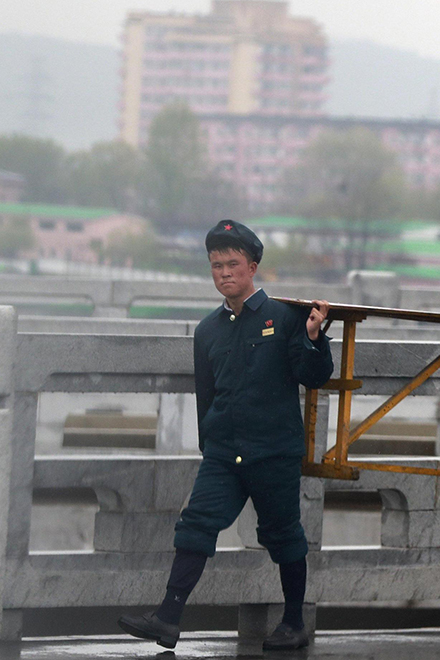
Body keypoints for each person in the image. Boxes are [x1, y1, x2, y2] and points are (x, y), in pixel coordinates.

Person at [118, 219, 334, 651]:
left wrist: (313, 336)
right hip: (224, 454)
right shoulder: (207, 331)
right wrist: (211, 446)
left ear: (253, 266)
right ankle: (168, 618)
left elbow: (315, 377)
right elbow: (207, 396)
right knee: (196, 524)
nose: (224, 273)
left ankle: (294, 623)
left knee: (283, 534)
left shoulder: (285, 317)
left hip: (273, 450)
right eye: (216, 266)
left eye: (233, 264)